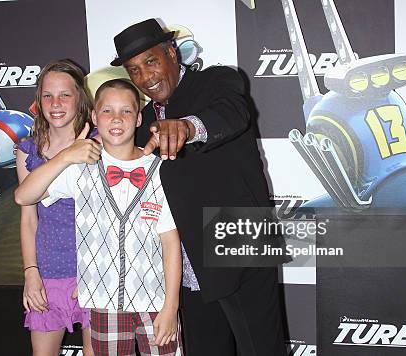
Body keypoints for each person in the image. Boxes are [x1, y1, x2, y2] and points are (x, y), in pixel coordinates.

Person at [110, 19, 288, 356]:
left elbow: (231, 113)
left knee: (262, 349)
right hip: (186, 262)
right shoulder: (143, 120)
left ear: (172, 54)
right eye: (134, 70)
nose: (146, 77)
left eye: (151, 61)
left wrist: (188, 128)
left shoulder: (218, 80)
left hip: (239, 245)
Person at [15, 79, 183, 356]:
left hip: (155, 301)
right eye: (107, 111)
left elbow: (170, 243)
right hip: (104, 304)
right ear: (94, 116)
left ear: (139, 117)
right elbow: (24, 197)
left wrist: (171, 307)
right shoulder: (81, 168)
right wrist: (65, 156)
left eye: (126, 111)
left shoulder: (159, 170)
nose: (116, 119)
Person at [16, 59, 94, 356]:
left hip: (94, 272)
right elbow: (28, 218)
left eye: (65, 95)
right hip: (48, 273)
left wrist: (95, 270)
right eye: (48, 95)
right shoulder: (27, 151)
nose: (56, 103)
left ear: (80, 99)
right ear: (39, 100)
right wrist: (31, 273)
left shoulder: (99, 145)